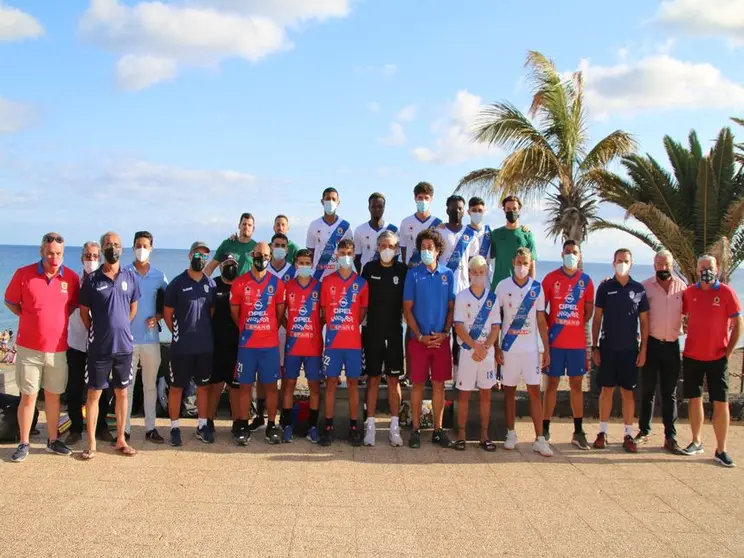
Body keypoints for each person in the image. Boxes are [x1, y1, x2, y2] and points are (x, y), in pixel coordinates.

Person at [5, 232, 80, 462]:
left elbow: (70, 308)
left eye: (58, 253)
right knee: (28, 397)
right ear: (41, 251)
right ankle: (24, 443)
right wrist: (31, 319)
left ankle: (52, 440)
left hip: (57, 349)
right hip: (29, 349)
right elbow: (11, 303)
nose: (54, 257)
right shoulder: (23, 274)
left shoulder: (72, 278)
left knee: (53, 396)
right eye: (49, 253)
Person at [78, 231, 140, 459]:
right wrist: (100, 330)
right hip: (99, 348)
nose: (112, 248)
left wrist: (120, 326)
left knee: (122, 393)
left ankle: (121, 439)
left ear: (121, 249)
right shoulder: (92, 280)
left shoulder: (130, 277)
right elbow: (84, 313)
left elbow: (133, 307)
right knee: (94, 394)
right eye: (108, 244)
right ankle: (92, 443)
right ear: (102, 249)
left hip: (124, 347)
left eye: (116, 244)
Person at [681, 255, 742, 467]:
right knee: (694, 399)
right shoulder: (690, 292)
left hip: (718, 358)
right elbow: (679, 314)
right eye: (702, 267)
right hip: (692, 356)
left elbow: (737, 323)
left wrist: (728, 352)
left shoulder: (726, 292)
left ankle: (721, 449)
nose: (706, 270)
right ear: (697, 270)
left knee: (721, 402)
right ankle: (696, 441)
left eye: (710, 267)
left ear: (716, 269)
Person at [495, 248, 552, 457]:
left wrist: (546, 348)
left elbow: (541, 321)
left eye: (525, 263)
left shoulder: (537, 288)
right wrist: (496, 347)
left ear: (530, 264)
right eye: (518, 262)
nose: (521, 267)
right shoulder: (502, 286)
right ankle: (510, 433)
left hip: (530, 351)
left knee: (534, 393)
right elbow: (496, 319)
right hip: (509, 349)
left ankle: (539, 439)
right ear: (513, 262)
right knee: (508, 392)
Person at [592, 248, 649, 453]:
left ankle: (627, 434)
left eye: (625, 260)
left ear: (631, 264)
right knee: (606, 390)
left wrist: (643, 350)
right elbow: (597, 318)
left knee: (628, 392)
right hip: (607, 349)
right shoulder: (605, 288)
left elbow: (644, 322)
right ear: (613, 262)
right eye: (619, 260)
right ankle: (603, 432)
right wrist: (595, 346)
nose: (622, 263)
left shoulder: (639, 289)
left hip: (629, 350)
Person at [403, 228, 454, 449]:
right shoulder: (413, 274)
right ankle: (415, 429)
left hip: (441, 341)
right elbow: (407, 309)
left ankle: (437, 430)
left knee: (439, 385)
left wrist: (445, 332)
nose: (426, 251)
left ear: (438, 250)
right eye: (423, 248)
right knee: (417, 385)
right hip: (419, 340)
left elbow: (452, 307)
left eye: (430, 248)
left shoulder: (448, 274)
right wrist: (420, 336)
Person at [231, 241, 286, 445]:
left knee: (271, 387)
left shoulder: (277, 284)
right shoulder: (240, 283)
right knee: (245, 386)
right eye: (257, 255)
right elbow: (235, 314)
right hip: (247, 346)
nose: (260, 259)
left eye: (264, 256)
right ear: (251, 255)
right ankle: (243, 425)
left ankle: (272, 425)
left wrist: (267, 329)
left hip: (269, 345)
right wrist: (248, 329)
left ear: (270, 258)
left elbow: (279, 315)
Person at [541, 240, 594, 450]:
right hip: (555, 342)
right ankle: (545, 428)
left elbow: (588, 312)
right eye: (567, 252)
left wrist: (576, 322)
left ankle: (578, 431)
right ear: (561, 254)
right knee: (551, 385)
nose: (570, 255)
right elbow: (540, 309)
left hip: (577, 344)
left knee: (576, 387)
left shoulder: (586, 281)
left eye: (574, 252)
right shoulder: (551, 278)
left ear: (579, 256)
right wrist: (550, 323)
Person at [163, 241, 216, 447]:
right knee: (177, 388)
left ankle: (202, 425)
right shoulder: (177, 283)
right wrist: (179, 333)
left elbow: (210, 313)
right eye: (197, 254)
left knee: (203, 387)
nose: (200, 258)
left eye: (204, 255)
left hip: (204, 347)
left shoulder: (209, 284)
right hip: (181, 348)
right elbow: (168, 315)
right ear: (189, 255)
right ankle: (175, 427)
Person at [319, 238, 369, 446]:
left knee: (352, 383)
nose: (346, 256)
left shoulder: (361, 283)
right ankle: (328, 426)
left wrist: (348, 326)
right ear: (337, 255)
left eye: (349, 252)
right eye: (342, 253)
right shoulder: (328, 281)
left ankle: (354, 427)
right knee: (330, 383)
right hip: (332, 343)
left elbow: (362, 312)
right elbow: (323, 311)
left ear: (354, 254)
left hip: (353, 343)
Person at [361, 230, 407, 446]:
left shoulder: (402, 270)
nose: (387, 250)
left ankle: (394, 427)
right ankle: (369, 426)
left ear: (397, 249)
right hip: (372, 332)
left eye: (391, 247)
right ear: (377, 248)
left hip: (395, 332)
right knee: (372, 378)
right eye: (383, 246)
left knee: (393, 380)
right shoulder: (369, 269)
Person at [637, 249, 686, 454]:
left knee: (669, 393)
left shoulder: (682, 287)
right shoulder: (645, 287)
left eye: (666, 264)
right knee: (647, 390)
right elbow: (637, 315)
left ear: (672, 266)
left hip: (672, 346)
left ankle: (670, 436)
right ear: (654, 265)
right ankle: (644, 431)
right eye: (659, 264)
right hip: (651, 344)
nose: (663, 268)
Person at [65, 242, 112, 446]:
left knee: (101, 387)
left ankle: (101, 426)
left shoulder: (106, 280)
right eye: (87, 255)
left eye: (94, 256)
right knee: (75, 387)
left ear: (100, 258)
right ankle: (76, 428)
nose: (91, 259)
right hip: (76, 341)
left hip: (100, 343)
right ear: (81, 257)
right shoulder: (73, 280)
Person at [452, 256, 501, 451]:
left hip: (486, 355)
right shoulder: (462, 297)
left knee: (485, 395)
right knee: (463, 395)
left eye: (482, 272)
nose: (478, 276)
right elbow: (458, 326)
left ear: (487, 273)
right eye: (475, 272)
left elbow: (496, 328)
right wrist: (475, 346)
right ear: (469, 273)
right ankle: (462, 434)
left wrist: (485, 348)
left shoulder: (493, 298)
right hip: (467, 352)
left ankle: (484, 435)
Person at [125, 231, 168, 444]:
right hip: (127, 340)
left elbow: (169, 300)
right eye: (138, 245)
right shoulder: (124, 273)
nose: (142, 249)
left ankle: (151, 428)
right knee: (127, 386)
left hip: (151, 339)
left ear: (151, 248)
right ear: (133, 247)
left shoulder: (159, 275)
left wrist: (159, 316)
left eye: (145, 245)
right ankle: (125, 430)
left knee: (150, 385)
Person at [282, 249, 324, 443]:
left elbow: (324, 315)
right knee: (289, 384)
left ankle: (313, 427)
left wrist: (315, 327)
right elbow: (280, 313)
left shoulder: (319, 287)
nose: (305, 266)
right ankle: (287, 425)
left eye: (308, 263)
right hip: (293, 345)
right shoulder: (287, 286)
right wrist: (290, 328)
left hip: (314, 346)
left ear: (312, 264)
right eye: (301, 263)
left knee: (314, 387)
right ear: (296, 264)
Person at [210, 254, 244, 444]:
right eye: (226, 264)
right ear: (221, 265)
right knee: (215, 385)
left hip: (237, 342)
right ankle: (209, 421)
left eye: (233, 264)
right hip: (216, 342)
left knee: (235, 386)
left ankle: (238, 422)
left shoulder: (241, 284)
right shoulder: (213, 285)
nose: (230, 266)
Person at [267, 233, 296, 440]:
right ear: (271, 246)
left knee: (287, 375)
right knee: (266, 377)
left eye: (283, 245)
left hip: (287, 329)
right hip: (265, 331)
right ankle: (264, 416)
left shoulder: (293, 271)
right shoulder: (262, 269)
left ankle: (284, 420)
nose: (279, 248)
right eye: (276, 245)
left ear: (287, 249)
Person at [306, 187, 353, 280]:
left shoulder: (345, 226)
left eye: (333, 199)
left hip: (339, 277)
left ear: (338, 202)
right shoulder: (314, 225)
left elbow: (350, 254)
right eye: (327, 199)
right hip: (317, 277)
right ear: (322, 201)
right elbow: (310, 252)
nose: (330, 202)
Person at [490, 195, 536, 289]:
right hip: (498, 287)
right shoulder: (495, 234)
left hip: (520, 288)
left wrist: (530, 288)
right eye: (508, 208)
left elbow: (532, 265)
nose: (511, 211)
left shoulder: (527, 235)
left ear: (519, 210)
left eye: (514, 208)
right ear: (504, 210)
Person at [440, 195, 479, 294]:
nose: (457, 211)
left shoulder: (471, 235)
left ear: (464, 211)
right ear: (447, 211)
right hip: (441, 284)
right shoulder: (439, 231)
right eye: (453, 208)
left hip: (463, 287)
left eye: (460, 208)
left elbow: (472, 263)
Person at [399, 181, 442, 267]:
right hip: (411, 268)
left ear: (431, 200)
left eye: (426, 198)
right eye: (420, 198)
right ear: (415, 198)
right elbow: (403, 247)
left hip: (430, 269)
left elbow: (439, 249)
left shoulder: (438, 223)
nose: (423, 201)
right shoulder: (406, 222)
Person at [354, 192, 399, 272]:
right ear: (369, 207)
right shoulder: (359, 230)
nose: (376, 209)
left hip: (387, 275)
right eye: (373, 206)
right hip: (366, 275)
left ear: (384, 208)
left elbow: (396, 256)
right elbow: (357, 258)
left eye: (380, 206)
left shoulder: (394, 230)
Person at [466, 197, 492, 276]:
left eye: (480, 210)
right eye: (474, 210)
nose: (477, 213)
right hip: (468, 278)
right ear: (468, 212)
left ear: (484, 211)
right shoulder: (463, 232)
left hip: (485, 278)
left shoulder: (489, 231)